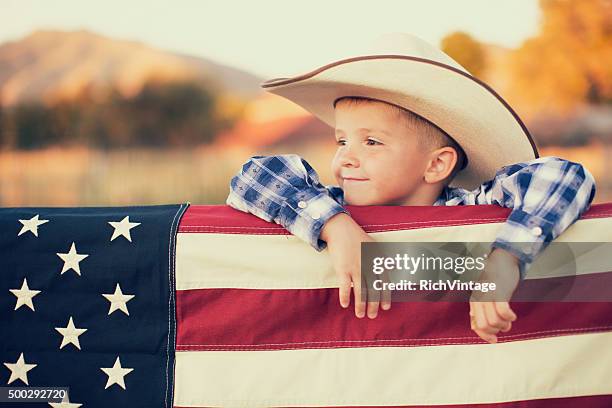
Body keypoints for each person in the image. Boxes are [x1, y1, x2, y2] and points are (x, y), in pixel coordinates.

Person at [225, 33, 596, 343]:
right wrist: (336, 228)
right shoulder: (330, 207)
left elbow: (563, 177)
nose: (346, 159)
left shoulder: (470, 209)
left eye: (371, 142)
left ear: (436, 165)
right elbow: (253, 175)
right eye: (342, 142)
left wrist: (506, 259)